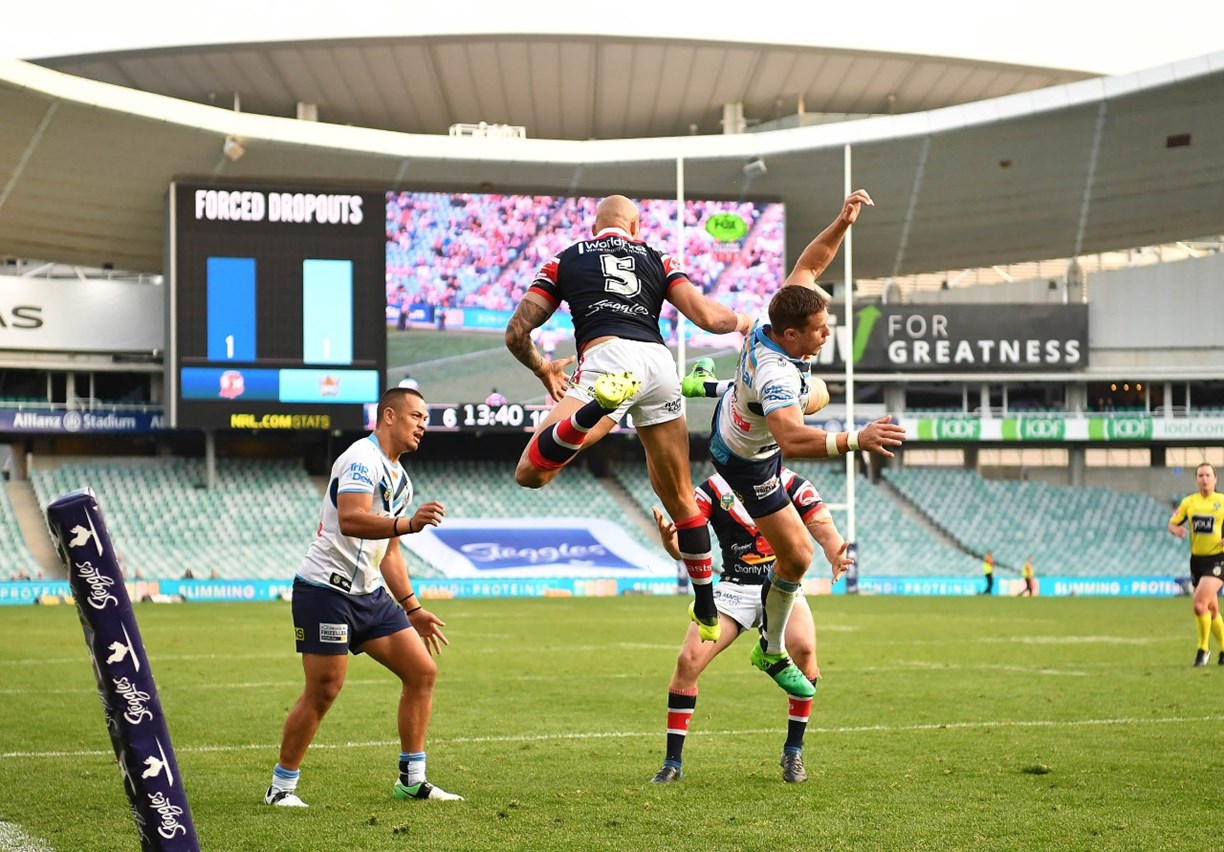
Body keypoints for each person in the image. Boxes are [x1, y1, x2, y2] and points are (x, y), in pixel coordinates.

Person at [682, 191, 906, 698]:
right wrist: (857, 438)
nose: (827, 333)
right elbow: (790, 439)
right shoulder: (778, 375)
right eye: (819, 329)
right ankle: (770, 648)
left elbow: (811, 263)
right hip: (747, 461)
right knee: (799, 557)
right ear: (788, 334)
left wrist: (842, 221)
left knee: (814, 392)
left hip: (736, 414)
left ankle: (706, 385)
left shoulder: (784, 309)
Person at [504, 194, 757, 640]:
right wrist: (747, 322)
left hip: (608, 357)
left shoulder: (565, 259)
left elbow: (516, 332)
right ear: (635, 226)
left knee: (530, 472)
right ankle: (706, 608)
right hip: (660, 365)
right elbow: (706, 317)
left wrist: (544, 368)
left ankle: (598, 407)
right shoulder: (658, 258)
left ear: (594, 226)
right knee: (681, 498)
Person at [264, 387, 462, 806]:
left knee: (422, 671)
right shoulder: (360, 458)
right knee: (324, 689)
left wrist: (413, 608)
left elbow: (389, 553)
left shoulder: (401, 479)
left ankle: (412, 781)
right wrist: (408, 523)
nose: (423, 426)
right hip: (325, 591)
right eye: (416, 416)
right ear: (389, 415)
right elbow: (352, 519)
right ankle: (280, 788)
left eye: (426, 420)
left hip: (369, 595)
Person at [648, 465, 852, 785]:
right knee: (688, 660)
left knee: (804, 649)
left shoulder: (791, 483)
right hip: (733, 590)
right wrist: (670, 543)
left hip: (783, 587)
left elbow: (822, 524)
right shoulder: (711, 490)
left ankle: (793, 751)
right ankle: (672, 762)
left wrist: (834, 550)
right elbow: (684, 543)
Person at [1167, 462, 1224, 667]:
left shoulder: (1222, 501)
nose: (1204, 479)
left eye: (1208, 475)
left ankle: (1203, 649)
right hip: (1197, 561)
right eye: (1201, 475)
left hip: (1219, 559)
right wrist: (1175, 529)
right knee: (1212, 609)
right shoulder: (1189, 502)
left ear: (1215, 479)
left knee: (1199, 605)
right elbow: (1172, 523)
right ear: (1196, 479)